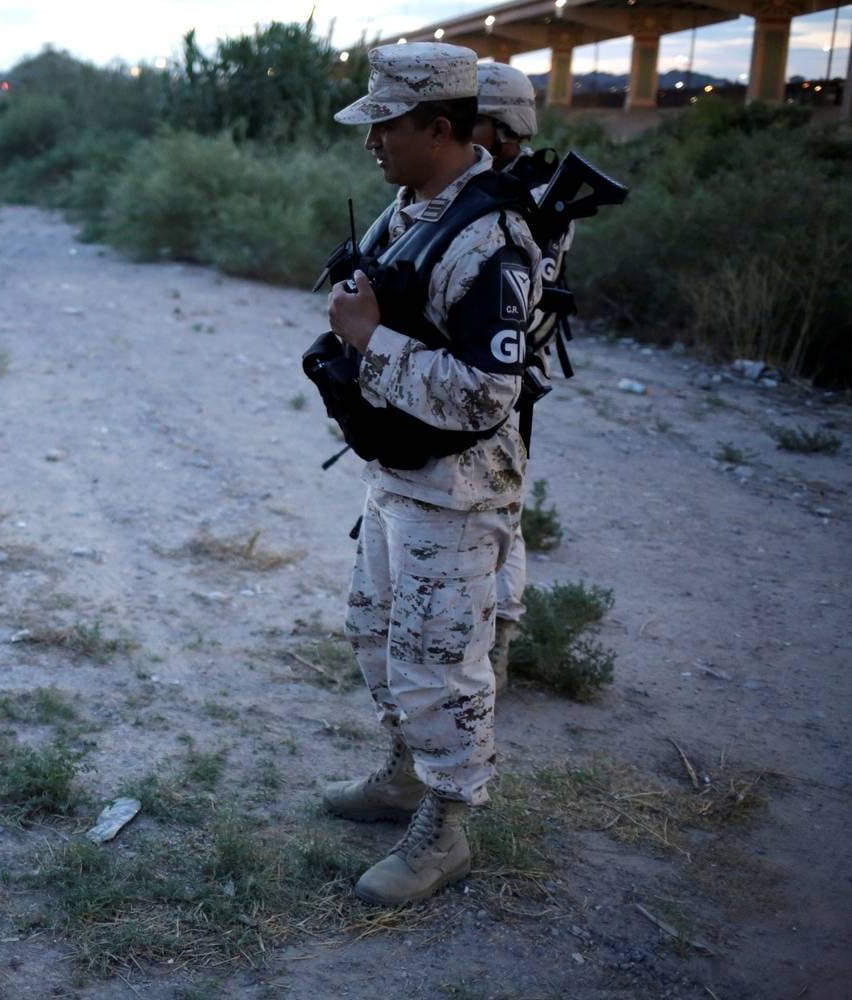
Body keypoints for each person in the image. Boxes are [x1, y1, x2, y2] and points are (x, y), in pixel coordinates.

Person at [316, 43, 543, 906]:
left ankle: (445, 828)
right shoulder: (412, 206)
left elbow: (489, 392)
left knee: (440, 663)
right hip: (399, 474)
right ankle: (405, 774)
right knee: (374, 630)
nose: (371, 142)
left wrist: (373, 338)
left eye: (385, 125)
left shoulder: (493, 238)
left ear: (438, 128)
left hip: (459, 490)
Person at [474, 62, 577, 693]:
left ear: (503, 124)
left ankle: (499, 644)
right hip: (492, 369)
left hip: (505, 380)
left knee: (501, 514)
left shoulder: (533, 194)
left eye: (472, 118)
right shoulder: (499, 185)